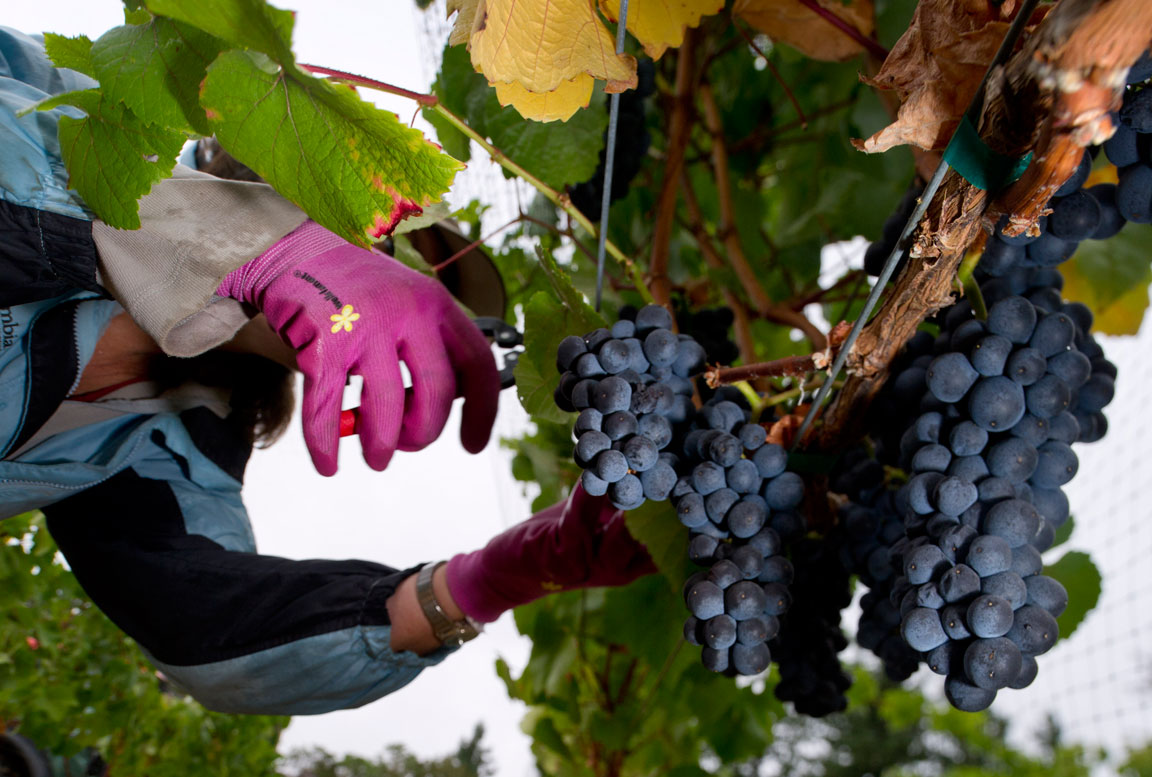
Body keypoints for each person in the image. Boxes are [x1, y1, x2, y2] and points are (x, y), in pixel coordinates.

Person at [0, 26, 653, 715]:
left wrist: (487, 581)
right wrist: (239, 244)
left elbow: (214, 637)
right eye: (395, 251)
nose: (400, 305)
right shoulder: (67, 100)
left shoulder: (185, 444)